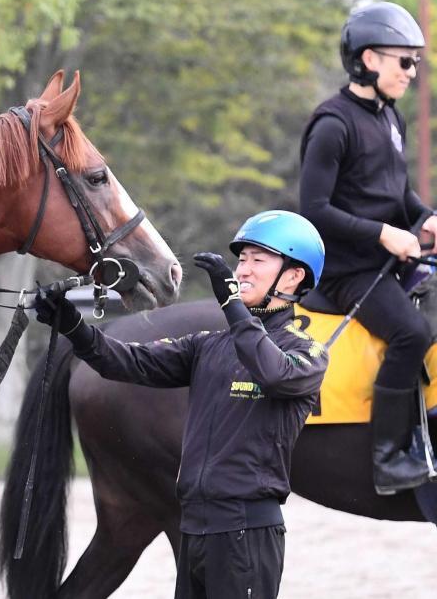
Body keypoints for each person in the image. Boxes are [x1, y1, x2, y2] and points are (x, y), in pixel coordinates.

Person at [35, 210, 328, 599]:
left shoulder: (305, 350)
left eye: (258, 260)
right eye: (241, 260)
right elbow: (127, 362)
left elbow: (273, 373)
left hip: (247, 532)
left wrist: (234, 309)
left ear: (294, 276)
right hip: (195, 527)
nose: (242, 270)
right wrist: (73, 327)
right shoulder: (209, 344)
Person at [299, 1, 437, 496]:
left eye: (416, 63)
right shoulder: (332, 125)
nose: (412, 72)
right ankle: (389, 456)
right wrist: (383, 234)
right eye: (405, 61)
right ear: (370, 59)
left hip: (387, 261)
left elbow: (397, 195)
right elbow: (313, 209)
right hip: (346, 272)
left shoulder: (389, 118)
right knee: (411, 333)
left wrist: (426, 218)